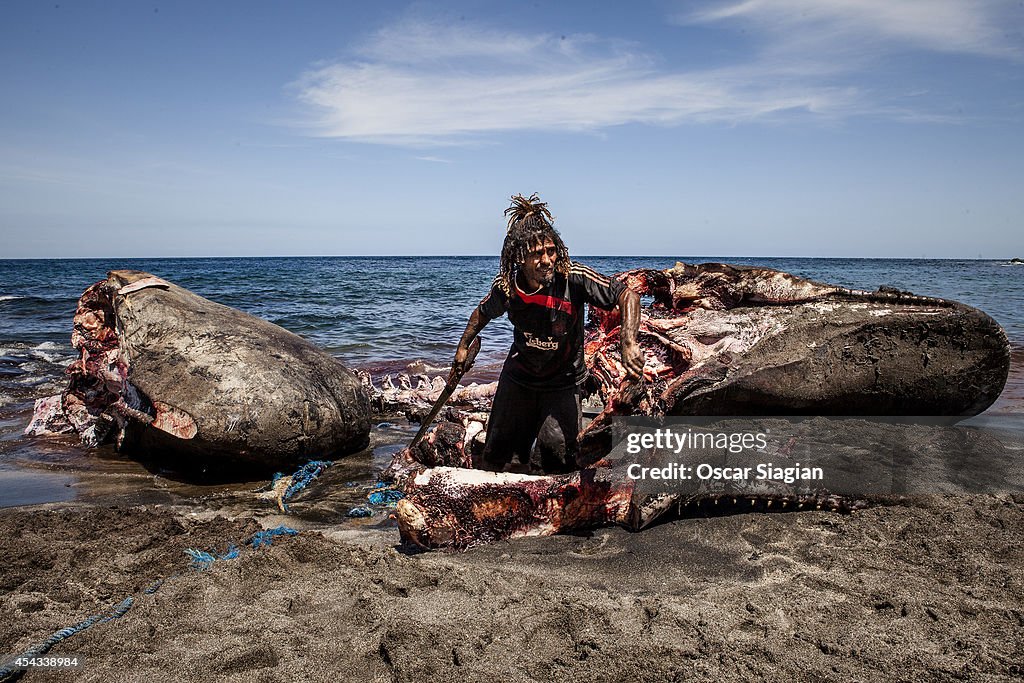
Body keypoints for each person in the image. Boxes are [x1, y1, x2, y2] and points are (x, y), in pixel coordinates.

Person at [452, 193, 643, 474]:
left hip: (563, 382)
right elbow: (482, 313)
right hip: (519, 378)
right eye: (537, 254)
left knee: (558, 460)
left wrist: (629, 342)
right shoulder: (507, 287)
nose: (546, 260)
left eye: (551, 251)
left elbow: (627, 295)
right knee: (498, 458)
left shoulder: (574, 278)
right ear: (520, 257)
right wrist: (463, 347)